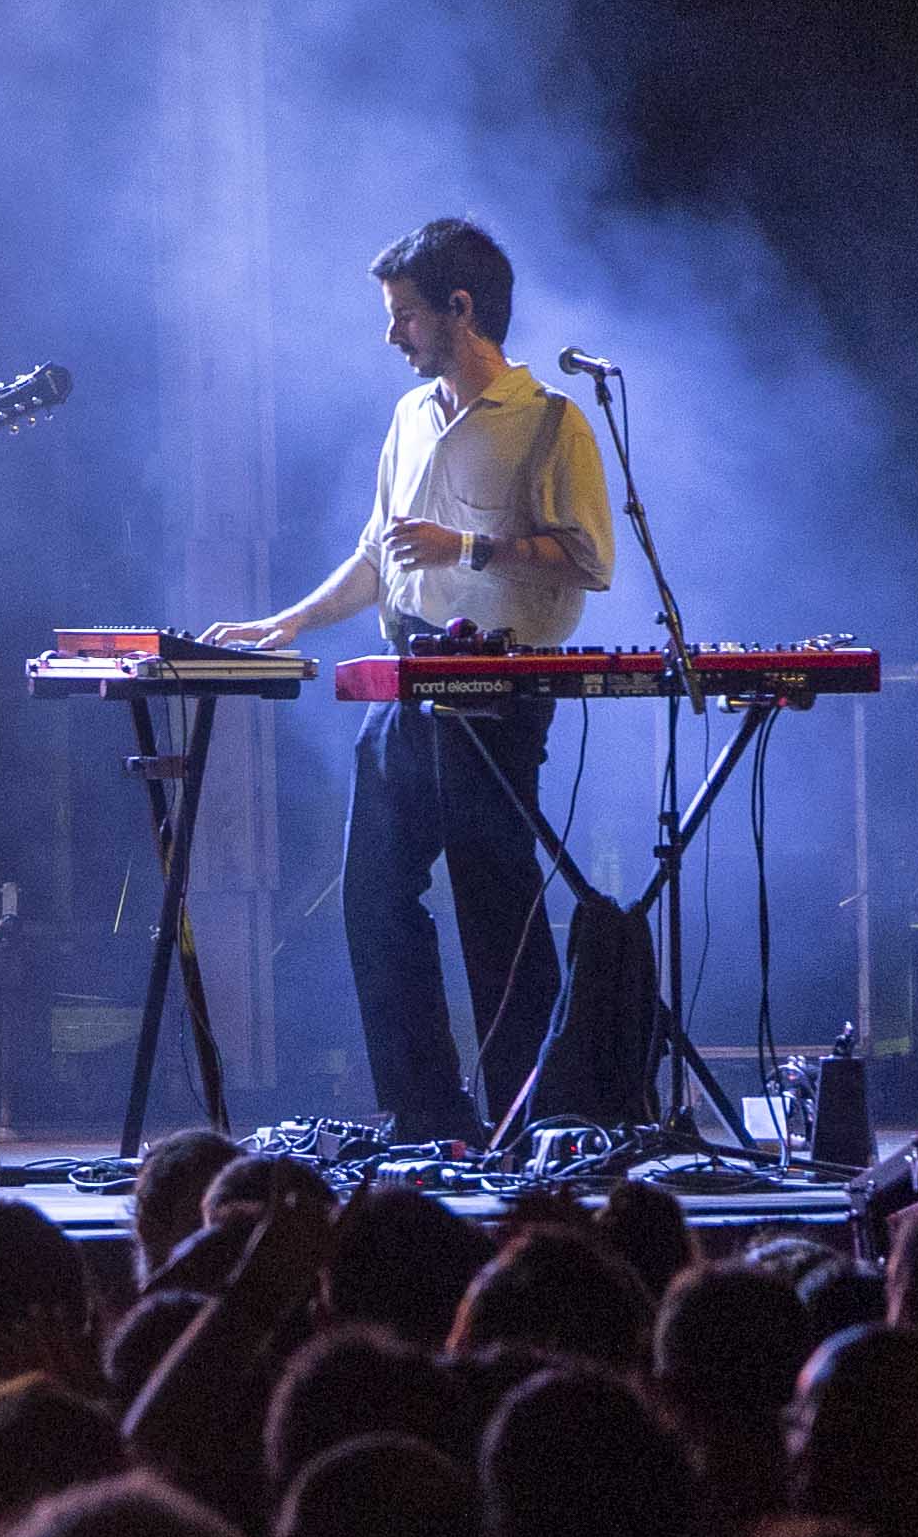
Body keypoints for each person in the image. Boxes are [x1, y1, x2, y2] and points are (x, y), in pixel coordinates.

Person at [198, 214, 616, 1147]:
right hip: (410, 677)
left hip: (501, 687)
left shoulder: (550, 419)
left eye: (405, 316)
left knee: (494, 899)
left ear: (460, 309)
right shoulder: (408, 416)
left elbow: (591, 561)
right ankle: (428, 1114)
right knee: (373, 895)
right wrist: (288, 621)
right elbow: (377, 557)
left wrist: (464, 544)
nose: (392, 335)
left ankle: (532, 1118)